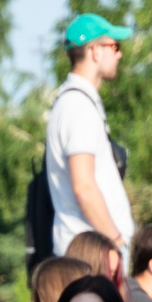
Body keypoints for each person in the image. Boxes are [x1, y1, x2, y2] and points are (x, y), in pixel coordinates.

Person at [44, 14, 136, 255]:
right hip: (92, 255)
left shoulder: (78, 102)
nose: (119, 54)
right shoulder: (77, 106)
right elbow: (83, 187)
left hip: (91, 251)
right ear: (95, 51)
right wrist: (116, 242)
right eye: (114, 46)